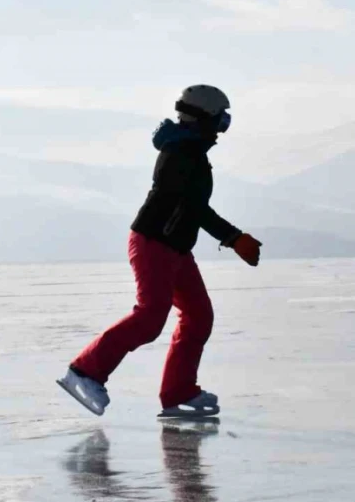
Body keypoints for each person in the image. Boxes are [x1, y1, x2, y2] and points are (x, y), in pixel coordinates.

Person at [58, 85, 263, 417]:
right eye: (221, 121)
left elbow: (193, 208)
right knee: (151, 317)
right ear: (204, 119)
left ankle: (178, 392)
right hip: (154, 243)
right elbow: (193, 207)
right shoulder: (180, 154)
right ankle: (84, 372)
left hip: (176, 248)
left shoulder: (191, 150)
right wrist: (234, 238)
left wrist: (231, 238)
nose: (222, 130)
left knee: (199, 316)